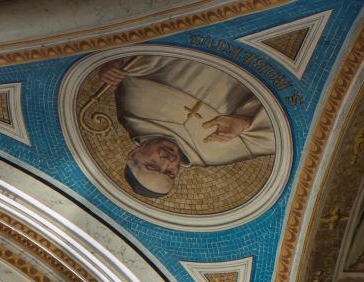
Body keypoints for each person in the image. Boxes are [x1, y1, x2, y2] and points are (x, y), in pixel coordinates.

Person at [94, 53, 275, 201]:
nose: (167, 161)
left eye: (152, 165)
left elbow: (141, 55)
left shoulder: (131, 109)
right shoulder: (212, 155)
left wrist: (114, 66)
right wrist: (246, 122)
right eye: (170, 173)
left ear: (133, 155)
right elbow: (278, 137)